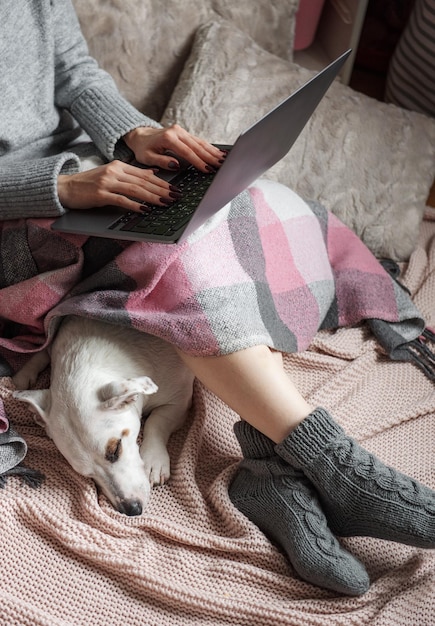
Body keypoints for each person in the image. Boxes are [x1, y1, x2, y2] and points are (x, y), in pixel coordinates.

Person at [1, 0, 434, 597]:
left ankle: (273, 469)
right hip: (19, 222)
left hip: (91, 174)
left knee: (222, 209)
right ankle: (337, 470)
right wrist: (57, 186)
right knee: (180, 251)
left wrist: (134, 134)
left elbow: (73, 70)